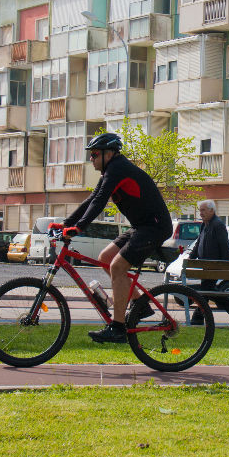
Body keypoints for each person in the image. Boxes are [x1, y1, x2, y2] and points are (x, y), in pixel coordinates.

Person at [63, 132, 172, 343]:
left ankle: (118, 327)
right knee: (105, 258)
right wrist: (67, 224)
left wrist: (80, 227)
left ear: (109, 153)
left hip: (155, 228)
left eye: (94, 154)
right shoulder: (110, 171)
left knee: (117, 267)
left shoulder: (118, 168)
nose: (91, 159)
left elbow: (99, 203)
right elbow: (91, 199)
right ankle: (141, 307)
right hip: (142, 227)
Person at [186, 200, 229, 325]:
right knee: (208, 290)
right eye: (200, 210)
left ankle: (197, 317)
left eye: (203, 210)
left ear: (211, 210)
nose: (201, 213)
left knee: (204, 291)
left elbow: (224, 246)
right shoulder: (205, 224)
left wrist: (226, 266)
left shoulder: (218, 225)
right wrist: (191, 258)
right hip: (206, 266)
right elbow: (199, 243)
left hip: (215, 265)